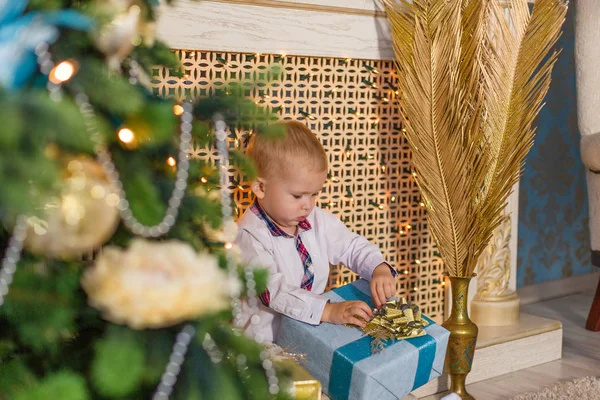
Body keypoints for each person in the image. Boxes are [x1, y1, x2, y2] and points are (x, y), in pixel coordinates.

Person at [235, 121, 396, 343]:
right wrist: (327, 311)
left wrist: (378, 268)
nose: (308, 205)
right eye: (298, 195)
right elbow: (273, 291)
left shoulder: (314, 219)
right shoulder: (249, 236)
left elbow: (350, 245)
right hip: (262, 349)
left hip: (306, 339)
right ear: (260, 187)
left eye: (314, 194)